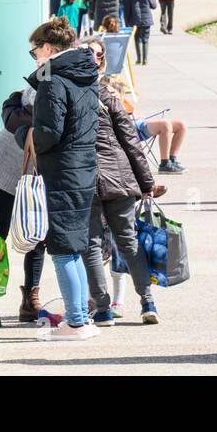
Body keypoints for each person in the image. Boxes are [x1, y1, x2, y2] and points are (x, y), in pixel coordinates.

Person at [79, 38, 163, 325]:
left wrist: (147, 182)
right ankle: (147, 301)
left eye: (97, 55)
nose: (94, 59)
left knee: (92, 244)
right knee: (128, 242)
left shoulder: (69, 94)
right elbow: (131, 142)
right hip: (118, 177)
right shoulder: (110, 96)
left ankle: (103, 309)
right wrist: (146, 182)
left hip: (87, 179)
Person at [27, 17, 100, 340]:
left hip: (62, 171)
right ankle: (82, 317)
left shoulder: (53, 81)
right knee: (74, 246)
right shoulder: (84, 75)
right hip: (83, 167)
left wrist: (25, 136)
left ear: (46, 48)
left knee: (62, 248)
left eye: (34, 53)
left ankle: (76, 321)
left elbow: (48, 133)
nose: (35, 60)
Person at [0, 84, 47, 327]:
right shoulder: (37, 87)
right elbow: (28, 99)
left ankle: (30, 299)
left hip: (36, 171)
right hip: (6, 165)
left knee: (37, 233)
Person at [126, 0, 157, 65]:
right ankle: (145, 60)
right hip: (146, 19)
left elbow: (128, 9)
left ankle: (139, 59)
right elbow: (154, 5)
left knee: (137, 39)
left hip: (135, 20)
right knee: (145, 39)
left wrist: (127, 21)